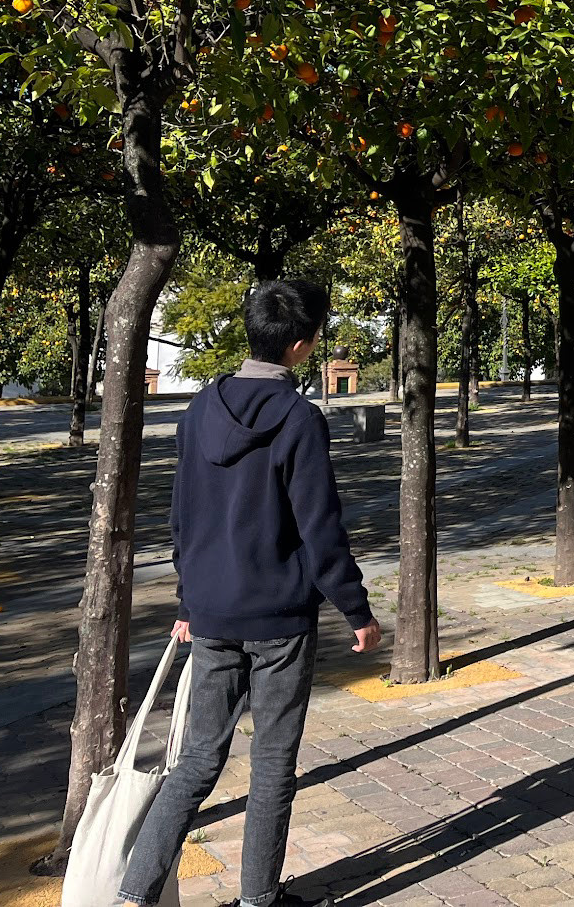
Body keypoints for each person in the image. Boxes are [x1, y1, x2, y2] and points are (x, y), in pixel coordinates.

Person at [118, 280, 380, 907]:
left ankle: (132, 895)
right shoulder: (299, 419)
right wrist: (356, 609)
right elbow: (320, 526)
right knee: (271, 767)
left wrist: (189, 603)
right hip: (280, 622)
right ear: (298, 346)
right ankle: (257, 901)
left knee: (195, 764)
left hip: (212, 616)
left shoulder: (198, 411)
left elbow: (183, 518)